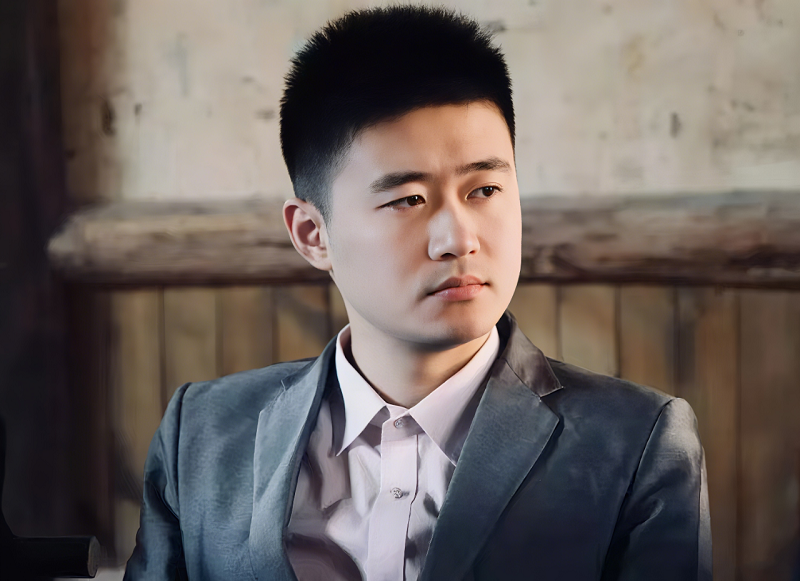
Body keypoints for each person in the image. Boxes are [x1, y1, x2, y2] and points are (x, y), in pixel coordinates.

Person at [124, 6, 711, 580]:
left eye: (484, 190)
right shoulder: (202, 433)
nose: (459, 239)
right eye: (408, 199)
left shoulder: (636, 442)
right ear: (313, 234)